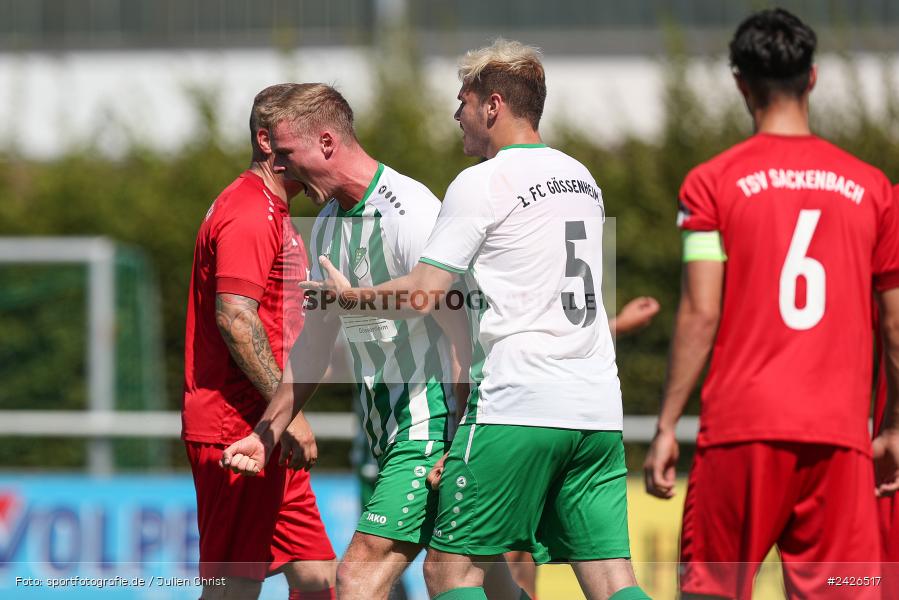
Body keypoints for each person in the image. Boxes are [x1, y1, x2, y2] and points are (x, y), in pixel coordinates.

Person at [301, 39, 650, 600]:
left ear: (492, 106)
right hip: (597, 406)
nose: (455, 114)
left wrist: (350, 299)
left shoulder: (483, 182)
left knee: (451, 572)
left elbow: (423, 294)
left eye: (461, 100)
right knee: (612, 581)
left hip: (518, 402)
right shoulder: (582, 177)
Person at [218, 83, 511, 600]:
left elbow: (465, 332)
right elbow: (313, 341)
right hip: (391, 435)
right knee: (490, 586)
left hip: (431, 426)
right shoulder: (328, 223)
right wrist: (268, 431)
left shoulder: (410, 213)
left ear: (326, 144)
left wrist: (464, 437)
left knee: (356, 577)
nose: (280, 169)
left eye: (286, 154)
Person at [643, 9, 899, 599]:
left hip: (741, 434)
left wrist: (665, 426)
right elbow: (895, 325)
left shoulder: (710, 182)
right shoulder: (873, 188)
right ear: (812, 78)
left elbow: (700, 312)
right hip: (840, 440)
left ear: (740, 83)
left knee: (712, 592)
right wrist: (891, 427)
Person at [182, 83, 336, 600]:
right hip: (239, 432)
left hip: (268, 428)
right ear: (268, 142)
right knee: (233, 591)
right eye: (311, 141)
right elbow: (236, 320)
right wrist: (287, 412)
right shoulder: (250, 210)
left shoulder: (275, 210)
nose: (322, 154)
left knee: (319, 580)